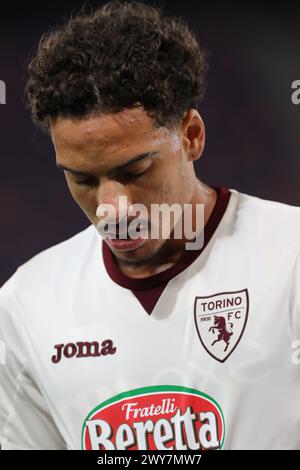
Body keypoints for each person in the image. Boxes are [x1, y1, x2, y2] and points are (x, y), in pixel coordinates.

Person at [0, 1, 299, 450]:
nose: (112, 208)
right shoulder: (27, 305)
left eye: (136, 171)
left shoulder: (291, 255)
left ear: (191, 135)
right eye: (83, 179)